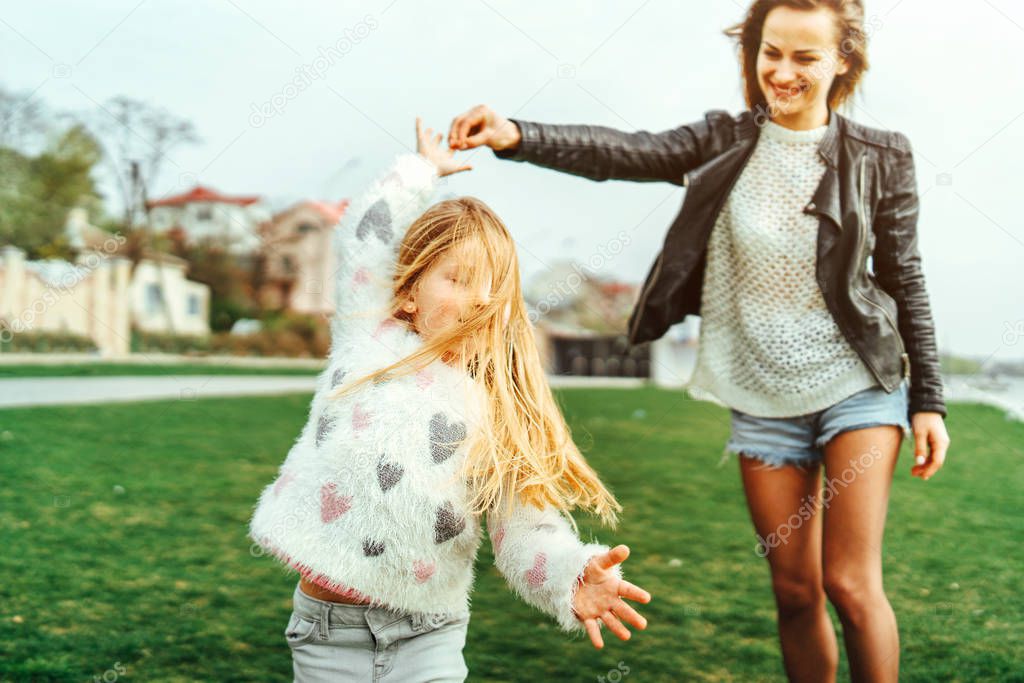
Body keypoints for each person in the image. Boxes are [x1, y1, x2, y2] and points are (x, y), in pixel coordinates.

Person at [446, 2, 950, 680]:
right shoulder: (726, 140)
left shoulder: (880, 156)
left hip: (858, 383)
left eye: (805, 57)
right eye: (772, 52)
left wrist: (929, 402)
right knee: (794, 591)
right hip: (760, 392)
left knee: (850, 584)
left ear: (842, 61)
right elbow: (623, 153)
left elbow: (904, 276)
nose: (783, 71)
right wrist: (517, 133)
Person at [248, 118, 651, 681]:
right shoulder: (369, 337)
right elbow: (367, 231)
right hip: (328, 633)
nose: (481, 300)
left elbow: (527, 529)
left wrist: (571, 574)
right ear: (409, 292)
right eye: (459, 279)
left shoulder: (500, 404)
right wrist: (421, 171)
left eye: (494, 287)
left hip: (428, 637)